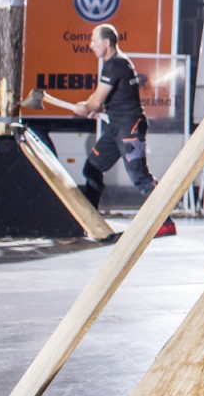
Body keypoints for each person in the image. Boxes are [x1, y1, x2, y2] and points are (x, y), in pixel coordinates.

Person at [72, 23, 172, 237]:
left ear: (106, 43)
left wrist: (86, 107)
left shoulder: (115, 64)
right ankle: (90, 221)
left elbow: (96, 100)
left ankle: (166, 223)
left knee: (140, 176)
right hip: (116, 127)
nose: (91, 45)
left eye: (94, 41)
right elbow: (107, 100)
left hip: (129, 128)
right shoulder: (117, 63)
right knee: (92, 168)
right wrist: (94, 108)